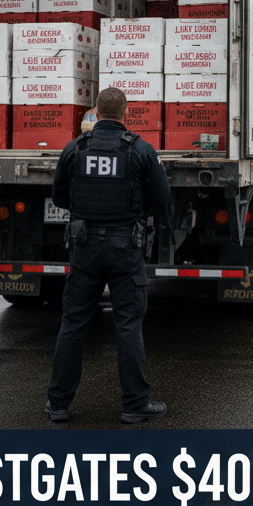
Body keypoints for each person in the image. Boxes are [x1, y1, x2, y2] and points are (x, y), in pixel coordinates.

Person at [45, 86, 171, 424]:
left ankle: (58, 404)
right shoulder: (141, 150)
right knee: (128, 325)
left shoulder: (75, 148)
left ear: (96, 113)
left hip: (84, 246)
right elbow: (161, 199)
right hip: (124, 247)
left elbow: (59, 197)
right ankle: (134, 405)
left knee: (73, 323)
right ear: (125, 113)